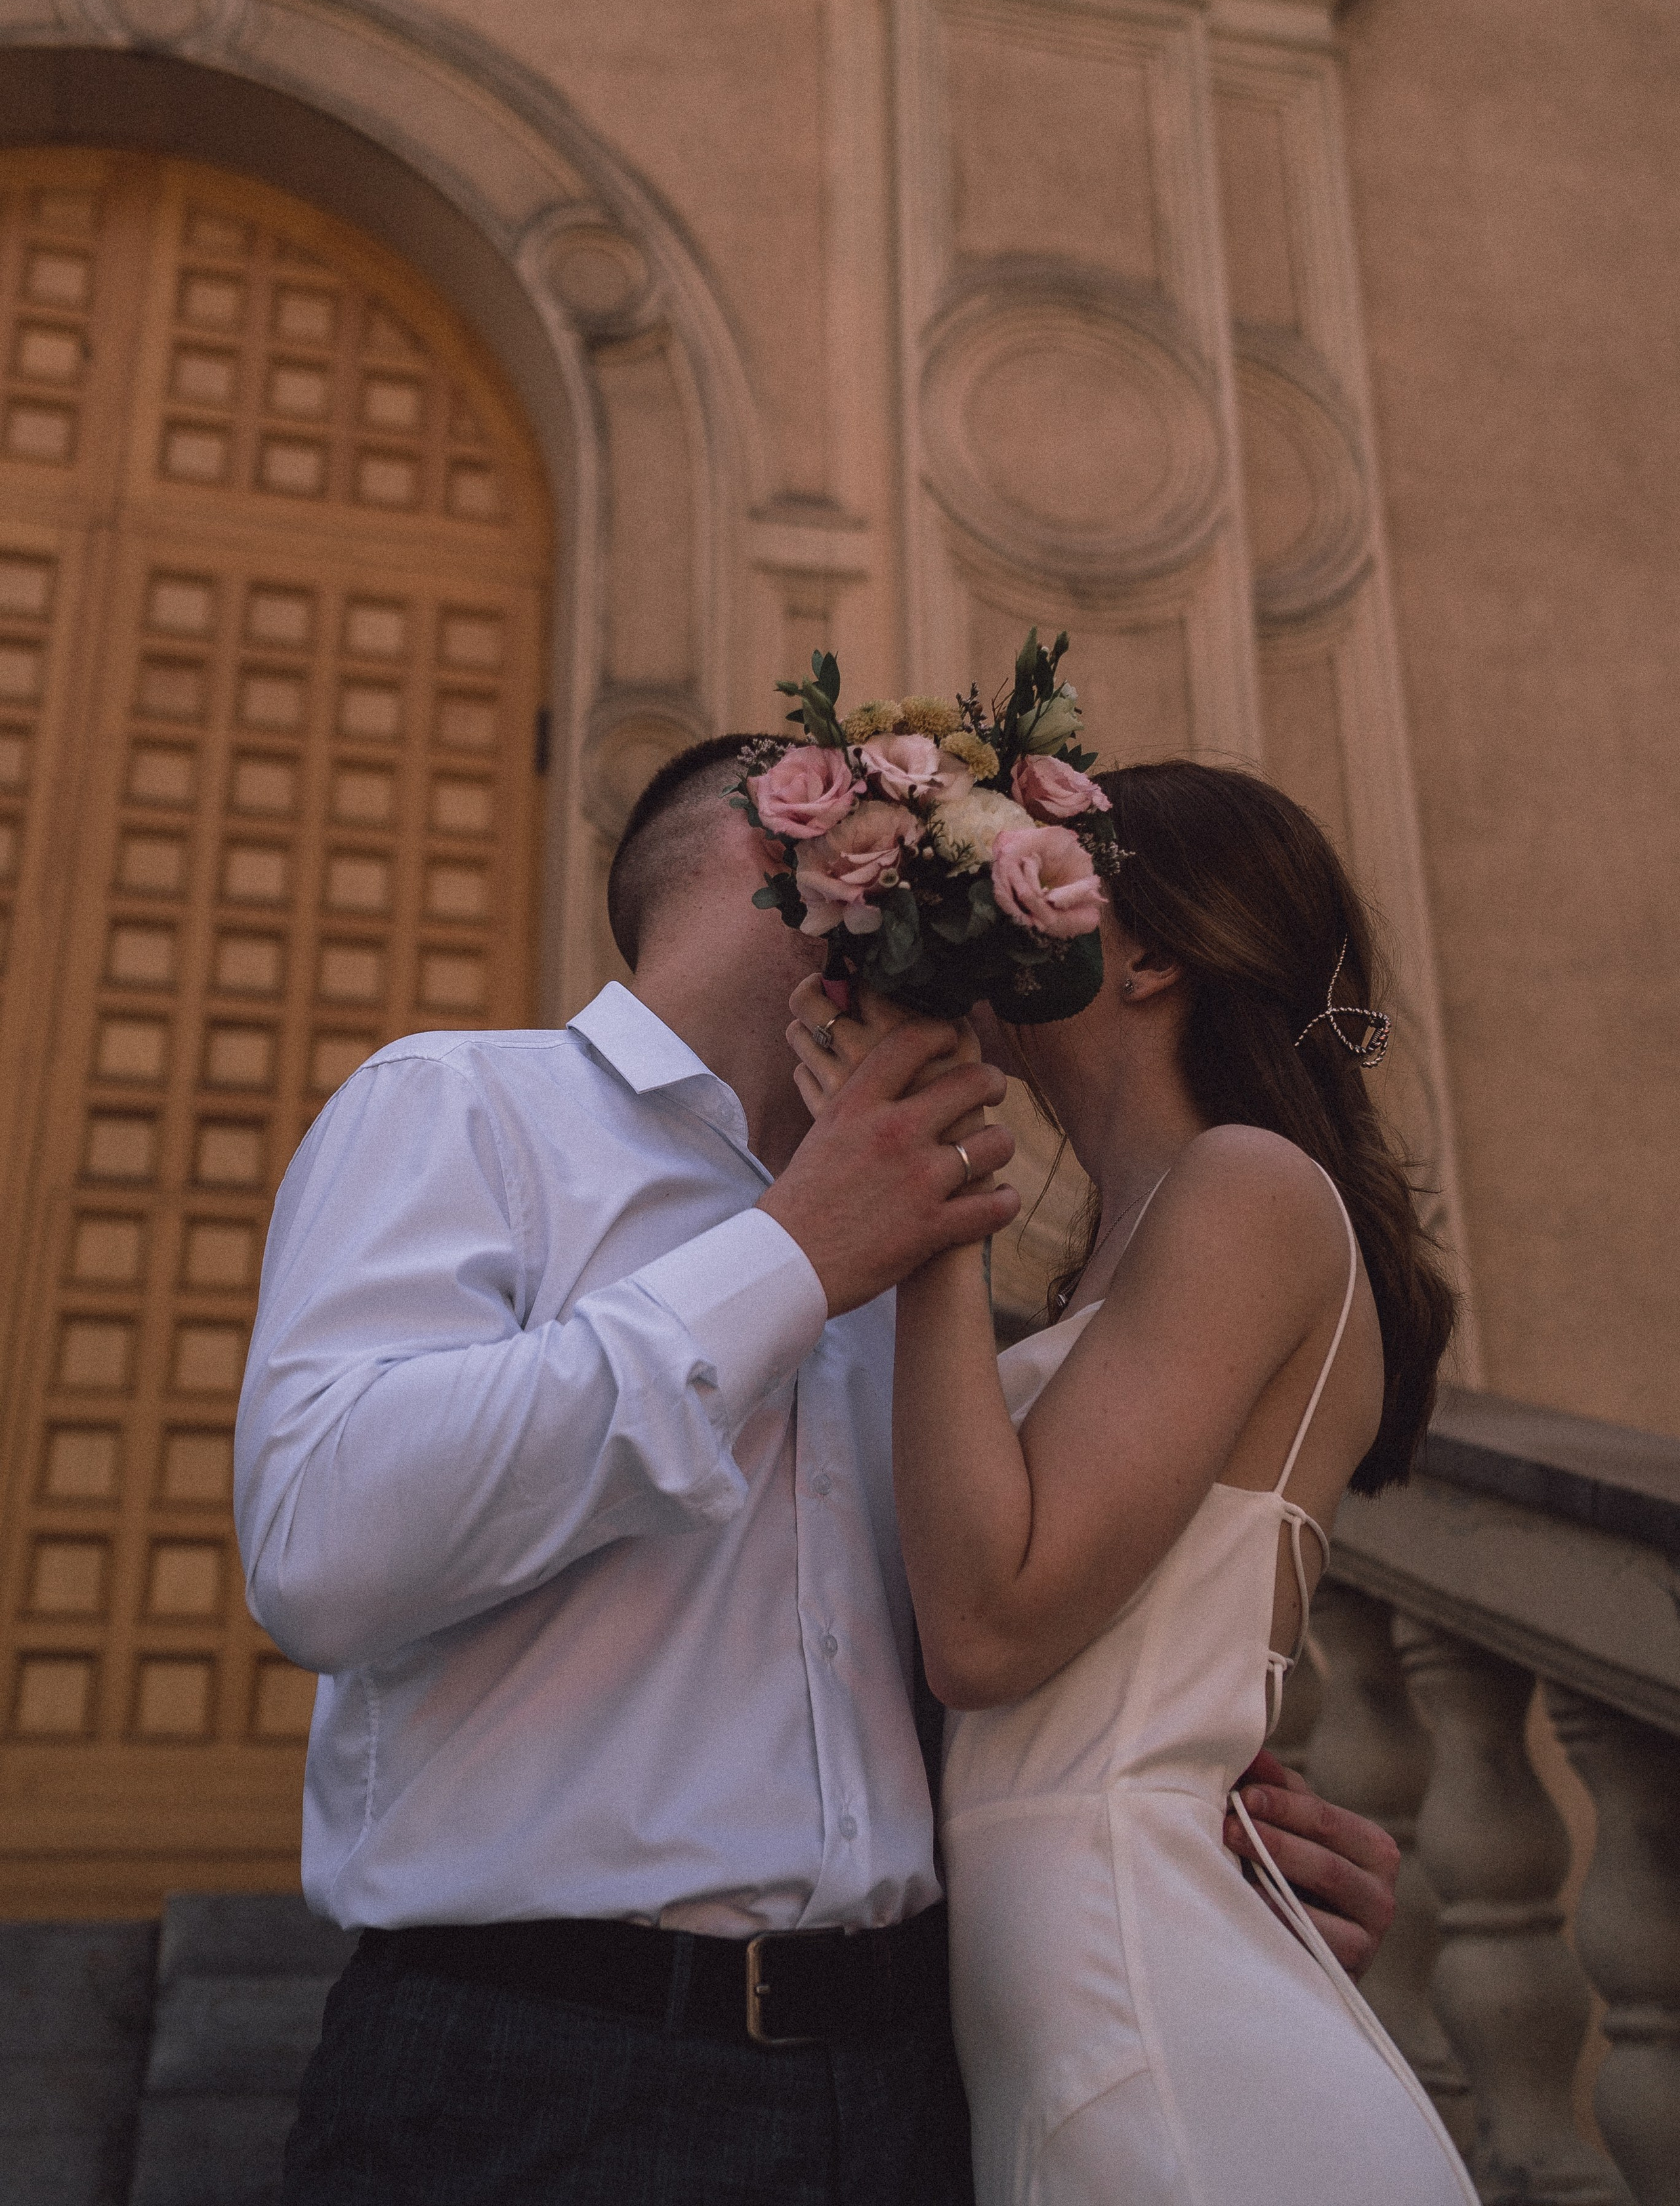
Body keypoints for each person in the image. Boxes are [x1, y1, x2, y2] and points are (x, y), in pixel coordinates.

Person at [235, 736, 1403, 2206]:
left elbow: (952, 1647)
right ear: (778, 854)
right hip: (531, 2076)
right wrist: (789, 1261)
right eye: (924, 852)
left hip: (907, 2087)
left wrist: (1197, 1828)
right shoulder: (472, 1107)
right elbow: (319, 1552)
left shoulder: (931, 1250)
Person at [788, 757, 1477, 2206]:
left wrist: (935, 1217)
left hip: (1143, 2011)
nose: (984, 920)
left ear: (1149, 950)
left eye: (1036, 877)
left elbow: (987, 1630)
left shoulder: (1249, 1187)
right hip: (1057, 1990)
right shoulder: (1134, 1237)